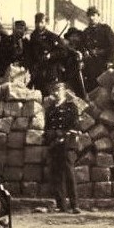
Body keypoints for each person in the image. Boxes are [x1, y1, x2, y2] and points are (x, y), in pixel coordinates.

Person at [44, 82, 82, 214]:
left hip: (67, 144)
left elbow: (75, 126)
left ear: (65, 91)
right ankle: (61, 205)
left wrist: (61, 135)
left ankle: (75, 205)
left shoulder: (71, 107)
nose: (56, 93)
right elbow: (47, 128)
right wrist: (52, 136)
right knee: (56, 175)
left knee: (69, 173)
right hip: (54, 144)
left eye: (58, 90)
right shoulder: (49, 110)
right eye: (54, 90)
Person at [80, 6, 114, 95]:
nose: (91, 18)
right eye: (89, 15)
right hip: (91, 66)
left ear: (98, 16)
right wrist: (84, 52)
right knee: (91, 89)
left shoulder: (105, 29)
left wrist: (110, 61)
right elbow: (82, 46)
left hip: (104, 64)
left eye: (94, 15)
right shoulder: (86, 32)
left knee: (104, 89)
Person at [25, 13, 67, 94]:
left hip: (49, 73)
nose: (39, 25)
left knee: (49, 96)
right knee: (38, 95)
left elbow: (63, 52)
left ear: (46, 23)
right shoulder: (33, 37)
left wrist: (50, 55)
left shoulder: (52, 36)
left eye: (41, 22)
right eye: (37, 22)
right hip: (37, 73)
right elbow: (30, 54)